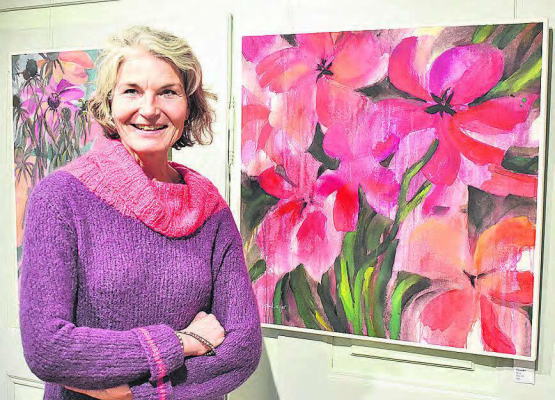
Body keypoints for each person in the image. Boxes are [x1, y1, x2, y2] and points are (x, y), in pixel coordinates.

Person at [19, 25, 262, 400]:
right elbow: (48, 349)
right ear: (109, 104)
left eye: (168, 92)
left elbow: (242, 347)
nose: (149, 110)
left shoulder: (209, 209)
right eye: (131, 91)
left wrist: (137, 394)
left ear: (189, 106)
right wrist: (180, 342)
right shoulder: (60, 198)